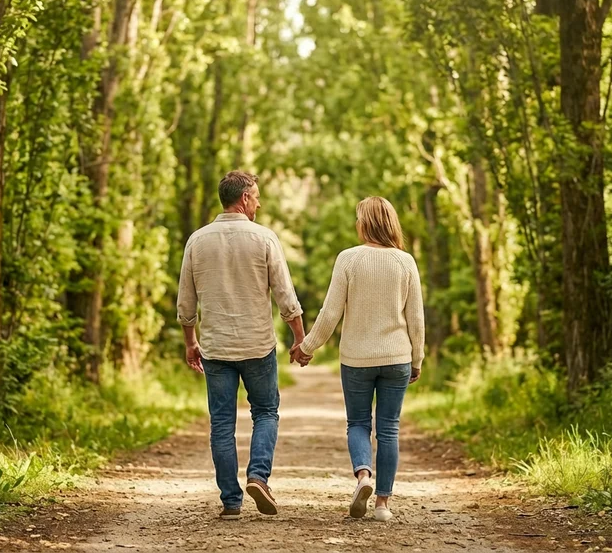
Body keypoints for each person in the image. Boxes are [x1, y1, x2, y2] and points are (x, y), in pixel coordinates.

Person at [176, 171, 307, 521]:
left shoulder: (197, 241)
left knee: (221, 424)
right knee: (265, 412)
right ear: (245, 198)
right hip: (258, 345)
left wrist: (191, 343)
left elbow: (186, 304)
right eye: (257, 196)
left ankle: (231, 502)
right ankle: (258, 476)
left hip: (216, 347)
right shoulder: (264, 238)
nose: (260, 203)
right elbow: (285, 295)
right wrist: (299, 337)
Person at [291, 196, 425, 522]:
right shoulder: (405, 261)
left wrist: (307, 347)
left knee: (358, 423)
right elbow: (416, 318)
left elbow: (330, 312)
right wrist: (417, 358)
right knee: (389, 429)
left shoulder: (349, 259)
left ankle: (363, 476)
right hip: (397, 357)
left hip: (356, 359)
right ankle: (382, 504)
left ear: (364, 224)